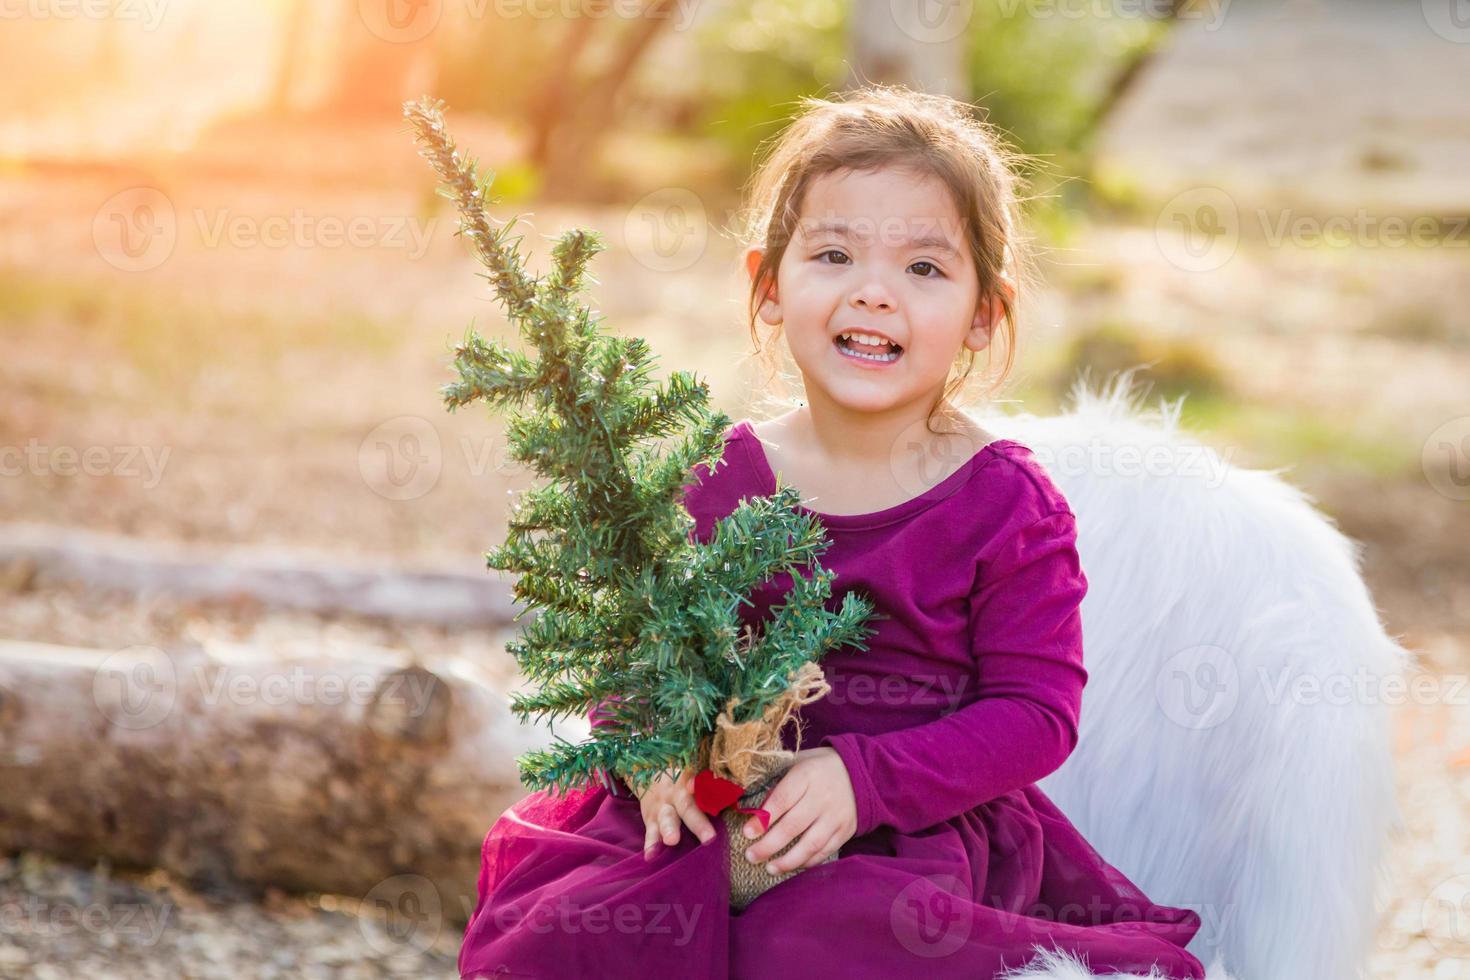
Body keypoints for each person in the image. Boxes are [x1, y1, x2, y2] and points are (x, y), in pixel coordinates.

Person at [457, 84, 1208, 980]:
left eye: (924, 269)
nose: (876, 293)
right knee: (569, 932)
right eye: (834, 254)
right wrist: (652, 754)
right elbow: (643, 649)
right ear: (768, 287)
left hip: (911, 833)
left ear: (982, 315)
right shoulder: (719, 479)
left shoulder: (1004, 505)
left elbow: (1034, 715)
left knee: (815, 940)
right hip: (717, 801)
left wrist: (864, 779)